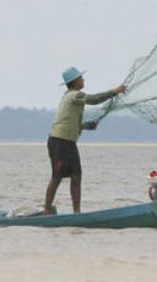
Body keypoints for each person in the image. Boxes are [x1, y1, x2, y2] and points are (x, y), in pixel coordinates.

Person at [44, 67, 127, 215]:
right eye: (81, 78)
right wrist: (115, 91)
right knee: (57, 176)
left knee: (76, 176)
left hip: (68, 142)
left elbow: (72, 122)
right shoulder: (75, 96)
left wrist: (87, 126)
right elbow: (94, 100)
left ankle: (77, 212)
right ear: (74, 82)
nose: (83, 80)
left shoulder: (73, 97)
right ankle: (46, 210)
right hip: (59, 142)